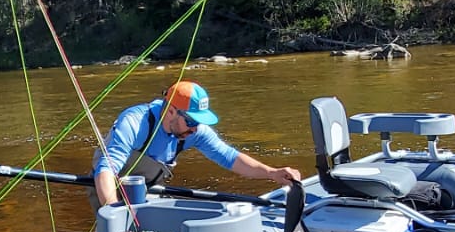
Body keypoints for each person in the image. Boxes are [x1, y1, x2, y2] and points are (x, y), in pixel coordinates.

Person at [92, 79, 301, 209]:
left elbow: (229, 157)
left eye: (199, 122)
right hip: (107, 187)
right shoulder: (134, 123)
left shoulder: (194, 131)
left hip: (149, 189)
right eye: (191, 121)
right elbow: (106, 169)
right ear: (170, 111)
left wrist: (271, 173)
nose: (195, 129)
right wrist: (114, 212)